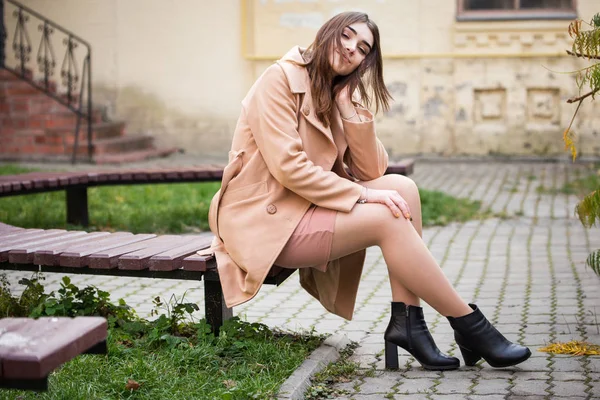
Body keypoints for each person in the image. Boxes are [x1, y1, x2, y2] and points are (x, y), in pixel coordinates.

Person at [203, 11, 530, 370]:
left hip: (303, 209)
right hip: (265, 220)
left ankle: (409, 322)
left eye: (361, 49)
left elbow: (372, 170)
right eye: (346, 36)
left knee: (402, 189)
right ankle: (468, 324)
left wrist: (350, 110)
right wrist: (364, 195)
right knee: (385, 217)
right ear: (328, 31)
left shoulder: (333, 90)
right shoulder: (277, 80)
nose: (349, 49)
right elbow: (289, 167)